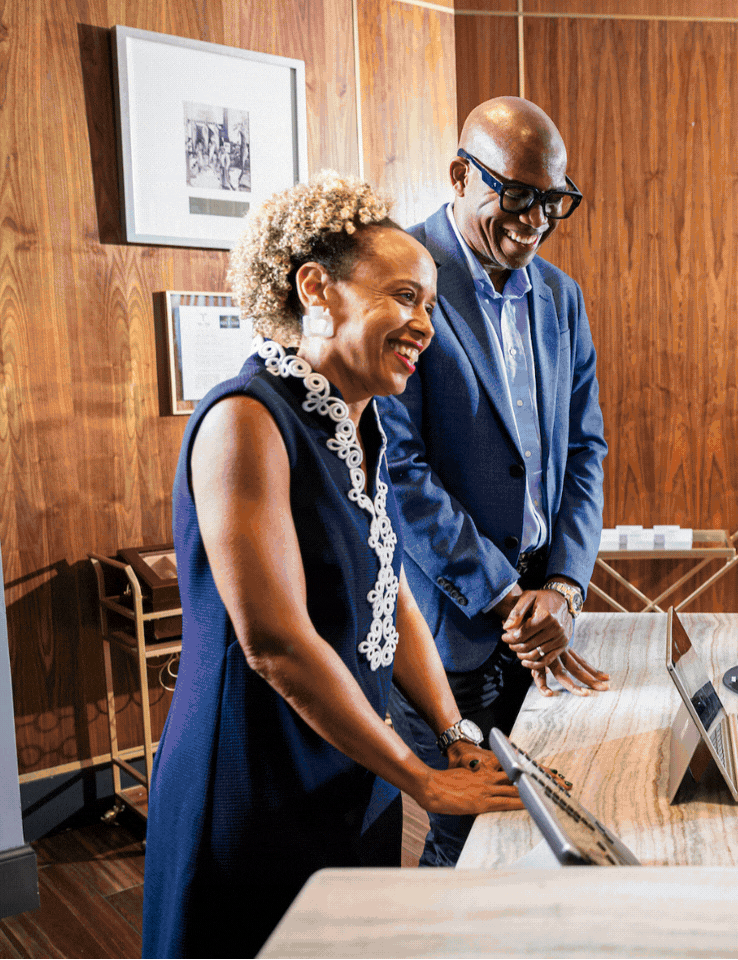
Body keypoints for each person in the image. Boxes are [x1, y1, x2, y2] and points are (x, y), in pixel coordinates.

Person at [142, 172, 523, 958]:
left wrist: (451, 731)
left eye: (430, 305)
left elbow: (392, 596)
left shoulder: (361, 422)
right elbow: (275, 644)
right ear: (316, 289)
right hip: (254, 779)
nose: (424, 326)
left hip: (347, 762)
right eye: (404, 297)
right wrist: (421, 778)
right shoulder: (247, 418)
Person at [378, 96, 609, 868]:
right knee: (466, 838)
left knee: (539, 825)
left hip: (548, 615)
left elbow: (585, 449)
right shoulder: (400, 275)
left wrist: (564, 589)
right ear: (459, 175)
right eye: (515, 194)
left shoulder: (561, 295)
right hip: (453, 622)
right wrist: (510, 601)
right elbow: (398, 469)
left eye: (553, 199)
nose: (535, 220)